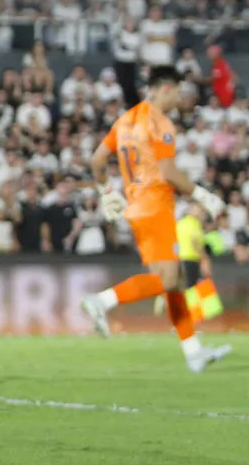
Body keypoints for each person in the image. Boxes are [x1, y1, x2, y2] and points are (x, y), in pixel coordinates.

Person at [81, 66, 230, 373]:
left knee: (175, 284)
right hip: (155, 205)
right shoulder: (160, 123)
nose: (179, 98)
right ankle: (103, 300)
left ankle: (193, 353)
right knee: (169, 280)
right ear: (165, 88)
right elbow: (169, 173)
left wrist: (106, 190)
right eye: (177, 91)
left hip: (137, 208)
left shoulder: (125, 120)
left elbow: (97, 159)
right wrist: (203, 195)